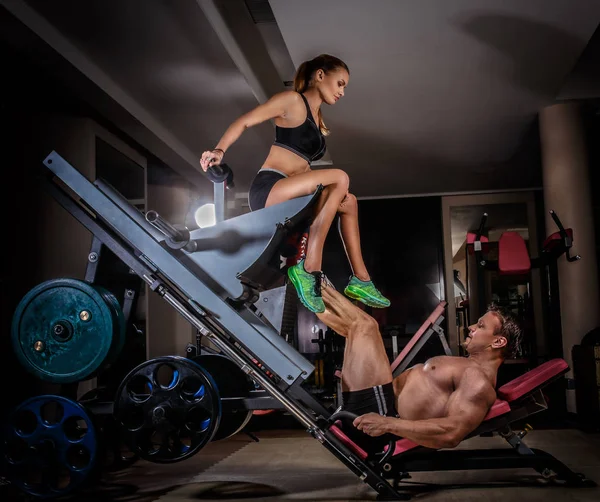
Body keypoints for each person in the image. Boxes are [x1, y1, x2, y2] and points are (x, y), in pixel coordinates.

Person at [199, 54, 389, 314]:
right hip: (270, 188)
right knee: (340, 177)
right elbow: (244, 120)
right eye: (340, 83)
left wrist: (329, 194)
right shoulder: (292, 101)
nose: (342, 92)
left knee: (350, 201)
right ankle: (310, 268)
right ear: (321, 75)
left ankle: (361, 280)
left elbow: (302, 167)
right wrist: (219, 151)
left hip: (293, 191)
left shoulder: (317, 117)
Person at [317, 280, 522, 452]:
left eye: (480, 326)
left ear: (498, 342)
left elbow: (452, 432)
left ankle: (310, 278)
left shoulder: (478, 382)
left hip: (378, 418)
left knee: (365, 326)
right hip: (378, 404)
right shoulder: (469, 369)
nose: (470, 327)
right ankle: (309, 284)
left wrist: (387, 424)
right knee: (353, 328)